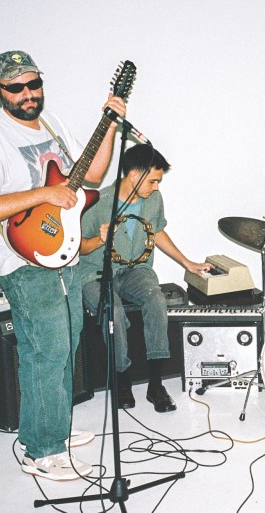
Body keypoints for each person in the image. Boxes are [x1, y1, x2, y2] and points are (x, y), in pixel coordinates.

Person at [0, 50, 126, 480]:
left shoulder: (52, 127)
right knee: (45, 351)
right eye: (16, 87)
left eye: (34, 84)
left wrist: (108, 124)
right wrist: (42, 195)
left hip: (62, 254)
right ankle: (41, 450)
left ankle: (51, 427)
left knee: (65, 345)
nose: (28, 93)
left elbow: (93, 174)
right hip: (23, 262)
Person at [79, 144, 212, 412]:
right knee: (112, 309)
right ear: (133, 175)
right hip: (95, 273)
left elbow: (158, 231)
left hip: (136, 269)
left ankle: (155, 383)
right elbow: (77, 247)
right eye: (152, 180)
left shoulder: (153, 200)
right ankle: (122, 379)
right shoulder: (96, 201)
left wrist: (187, 263)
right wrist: (98, 240)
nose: (156, 187)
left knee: (156, 299)